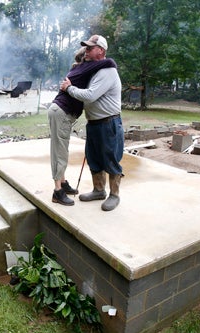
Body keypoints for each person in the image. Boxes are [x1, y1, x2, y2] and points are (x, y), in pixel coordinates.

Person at [60, 34, 124, 211]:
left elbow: (90, 95)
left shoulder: (107, 72)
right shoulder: (96, 70)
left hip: (108, 123)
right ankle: (98, 190)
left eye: (90, 48)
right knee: (94, 158)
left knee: (110, 159)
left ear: (101, 50)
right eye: (86, 48)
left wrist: (69, 88)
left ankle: (114, 195)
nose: (86, 51)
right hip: (94, 123)